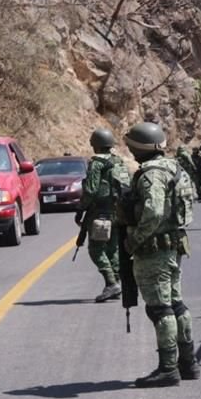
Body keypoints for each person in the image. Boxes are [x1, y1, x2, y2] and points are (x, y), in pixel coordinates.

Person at [122, 122, 200, 387]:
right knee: (176, 304)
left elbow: (153, 212)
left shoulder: (151, 174)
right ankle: (188, 363)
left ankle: (168, 368)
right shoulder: (175, 168)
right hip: (174, 246)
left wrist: (134, 239)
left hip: (154, 249)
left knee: (160, 309)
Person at [77, 128, 131, 303]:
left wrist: (80, 208)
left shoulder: (97, 164)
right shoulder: (119, 162)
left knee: (96, 250)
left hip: (100, 214)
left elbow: (91, 190)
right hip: (118, 214)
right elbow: (126, 186)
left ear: (96, 145)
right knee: (113, 248)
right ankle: (116, 282)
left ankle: (111, 282)